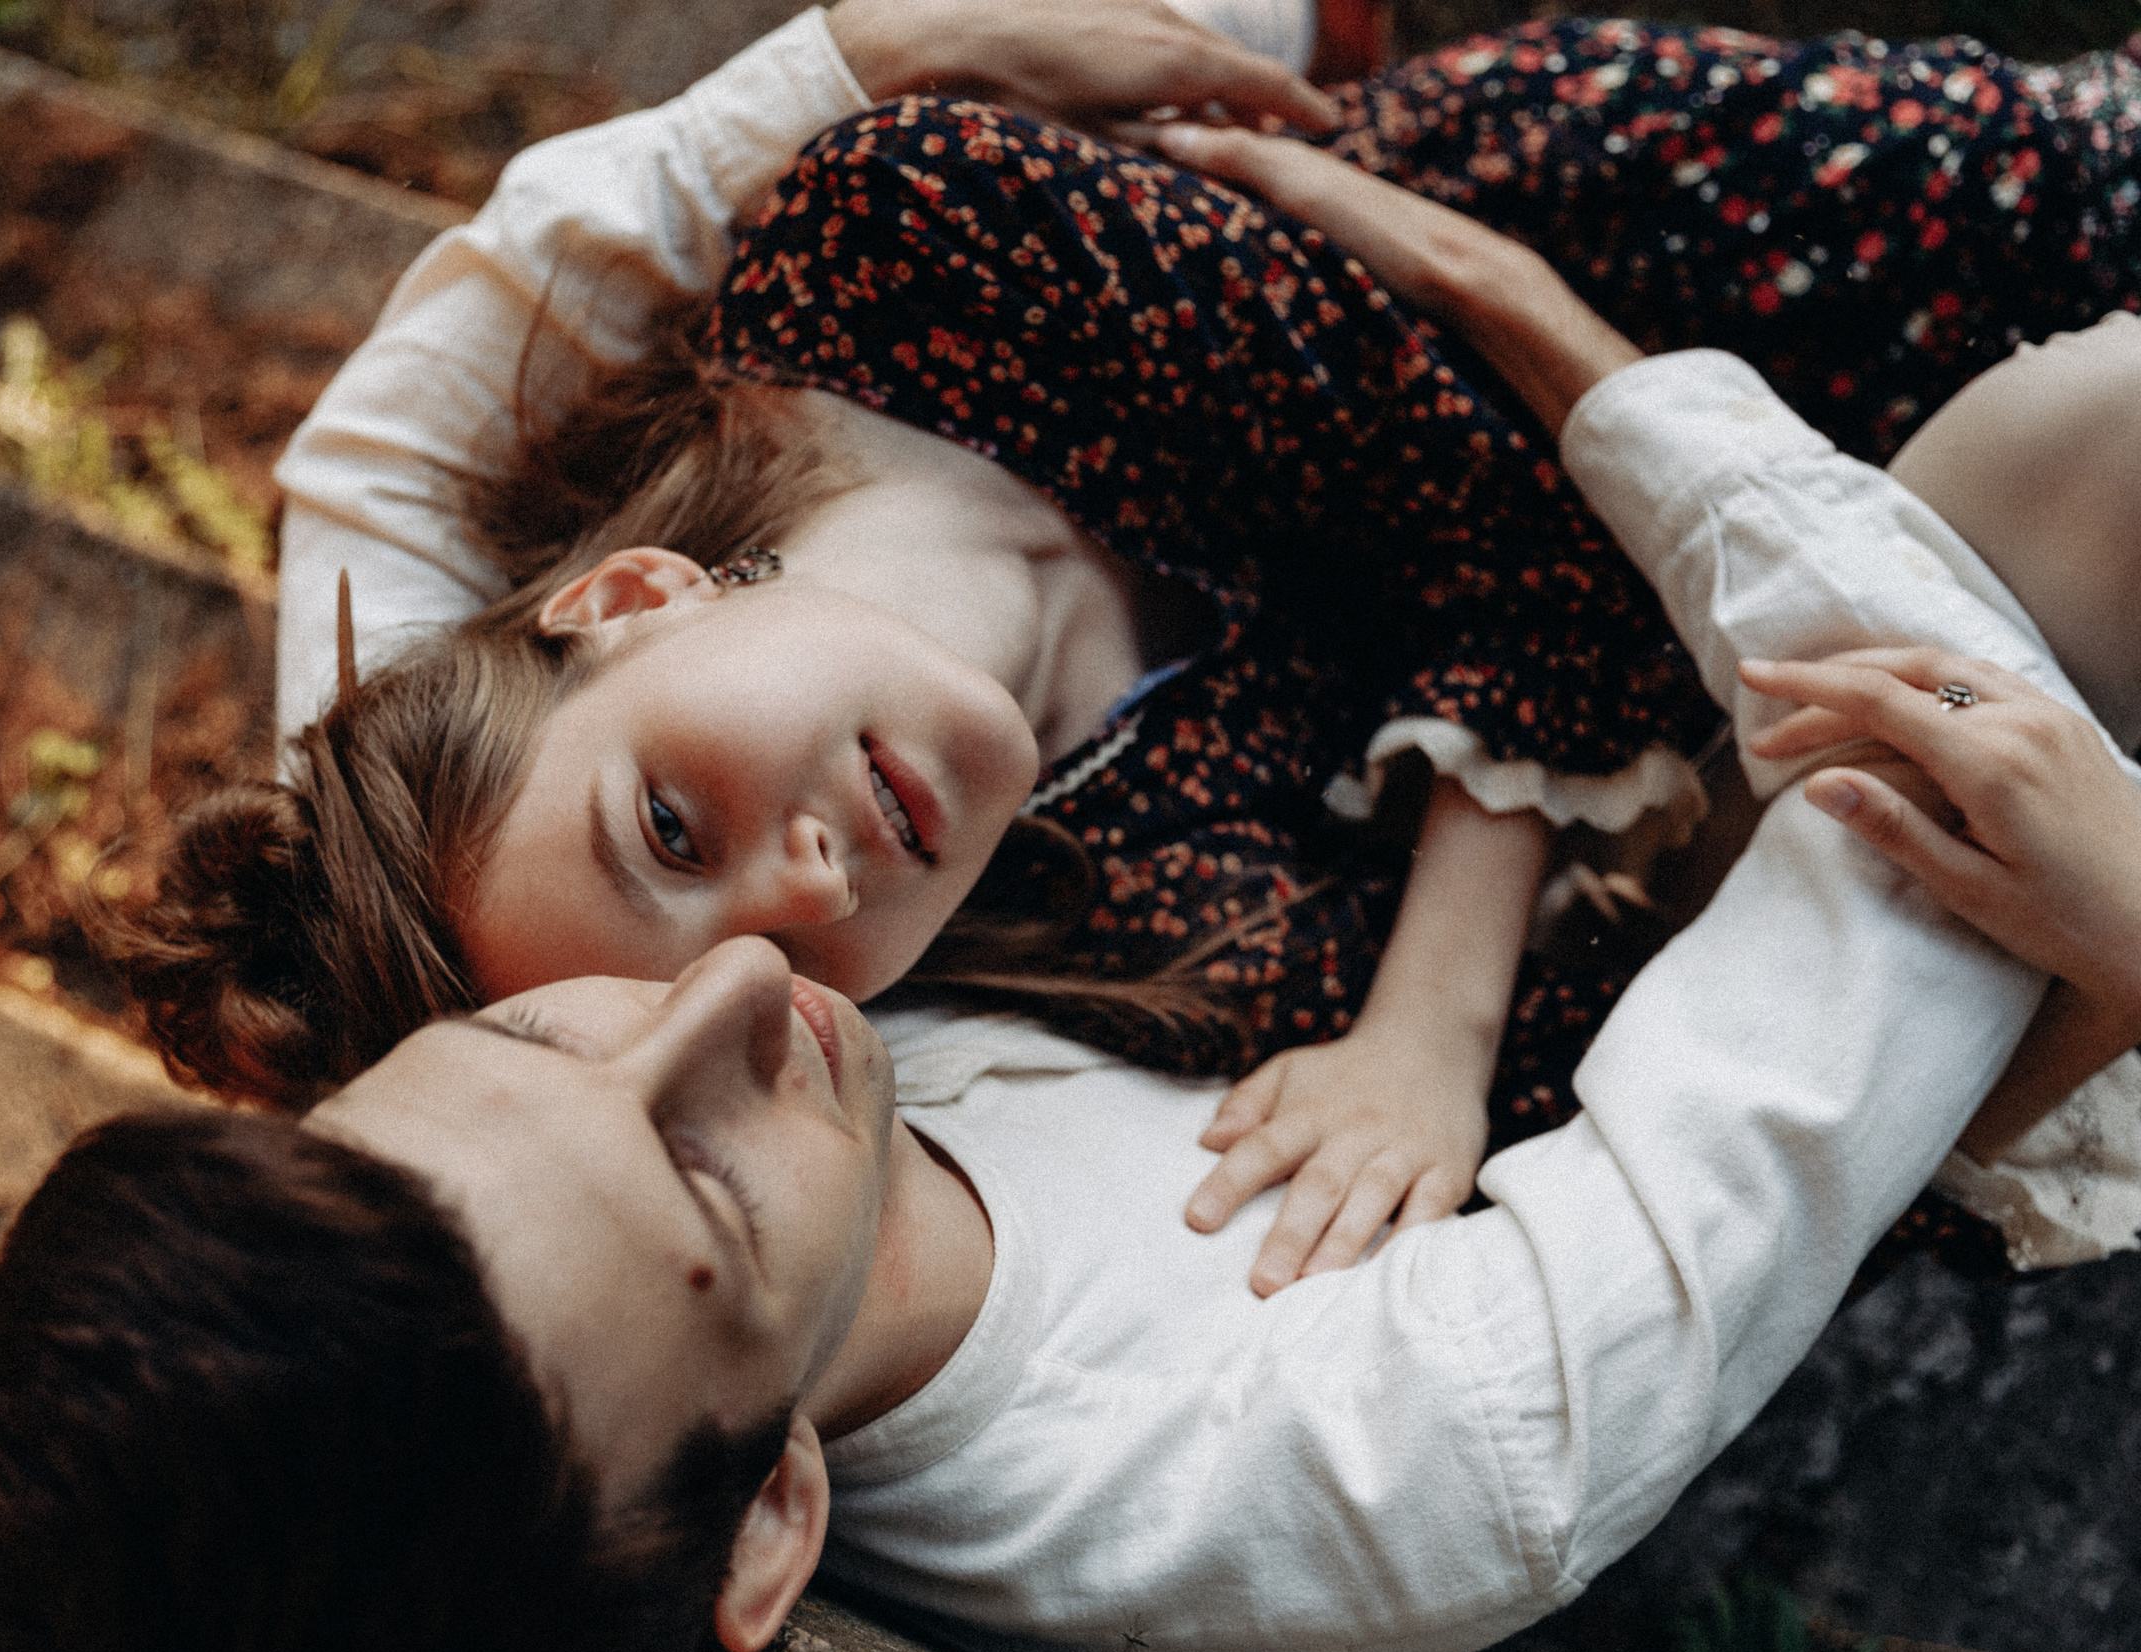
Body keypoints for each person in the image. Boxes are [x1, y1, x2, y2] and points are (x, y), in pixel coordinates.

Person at [0, 146, 2141, 1652]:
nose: (732, 988)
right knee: (2088, 445)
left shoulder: (514, 1134)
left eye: (529, 1041)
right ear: (771, 1521)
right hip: (1794, 840)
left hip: (1488, 645)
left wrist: (860, 44)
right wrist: (1546, 338)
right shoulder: (1351, 1473)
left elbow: (382, 473)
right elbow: (1928, 821)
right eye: (699, 1174)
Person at [110, 0, 2141, 1290]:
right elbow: (1615, 1018)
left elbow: (1528, 513)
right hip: (1837, 584)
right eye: (769, 966)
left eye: (666, 820)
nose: (803, 888)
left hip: (1692, 253)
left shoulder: (908, 253)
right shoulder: (1092, 928)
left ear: (632, 606)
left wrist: (1425, 1015)